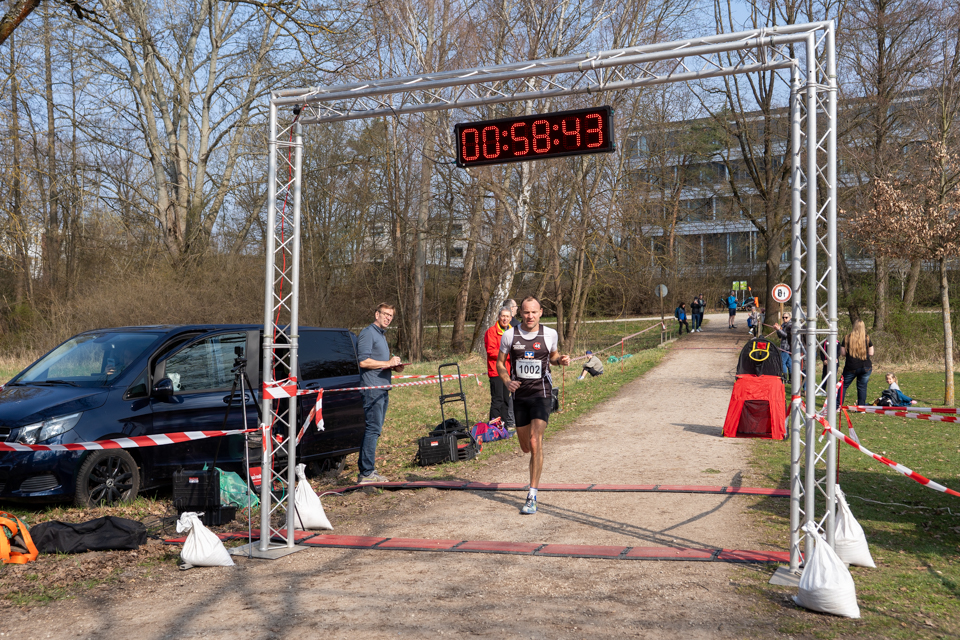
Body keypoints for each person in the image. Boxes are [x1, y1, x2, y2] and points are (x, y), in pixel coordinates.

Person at [496, 296, 571, 515]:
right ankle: (533, 465)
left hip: (541, 393)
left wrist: (560, 360)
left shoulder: (550, 334)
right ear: (521, 313)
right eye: (526, 312)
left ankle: (532, 495)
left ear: (541, 312)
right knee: (525, 447)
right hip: (520, 395)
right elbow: (500, 363)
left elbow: (553, 356)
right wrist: (507, 381)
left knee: (535, 441)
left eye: (534, 312)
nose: (530, 316)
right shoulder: (510, 335)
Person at [356, 303, 404, 484]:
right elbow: (363, 362)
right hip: (372, 389)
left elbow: (379, 363)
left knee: (375, 430)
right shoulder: (368, 333)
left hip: (382, 388)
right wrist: (387, 362)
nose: (388, 318)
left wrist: (394, 366)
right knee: (373, 429)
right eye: (385, 314)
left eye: (391, 316)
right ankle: (367, 473)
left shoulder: (381, 335)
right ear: (377, 314)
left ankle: (367, 471)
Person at [484, 307, 515, 429]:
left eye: (507, 316)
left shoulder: (513, 332)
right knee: (497, 400)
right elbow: (491, 351)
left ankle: (504, 427)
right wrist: (509, 354)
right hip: (496, 370)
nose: (505, 319)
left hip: (508, 371)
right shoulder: (491, 332)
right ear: (498, 317)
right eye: (503, 316)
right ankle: (494, 428)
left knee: (506, 400)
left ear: (511, 318)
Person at [839, 319, 874, 408]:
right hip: (865, 367)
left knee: (843, 386)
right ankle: (861, 407)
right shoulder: (867, 338)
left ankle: (838, 405)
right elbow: (871, 353)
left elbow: (843, 353)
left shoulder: (847, 338)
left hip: (851, 367)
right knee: (862, 387)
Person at [774, 313, 794, 377]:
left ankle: (784, 377)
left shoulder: (790, 325)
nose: (784, 319)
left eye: (786, 317)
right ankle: (791, 378)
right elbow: (780, 336)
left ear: (790, 318)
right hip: (784, 346)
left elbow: (786, 335)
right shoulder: (783, 325)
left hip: (787, 346)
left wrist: (779, 329)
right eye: (783, 317)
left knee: (782, 362)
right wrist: (777, 330)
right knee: (789, 363)